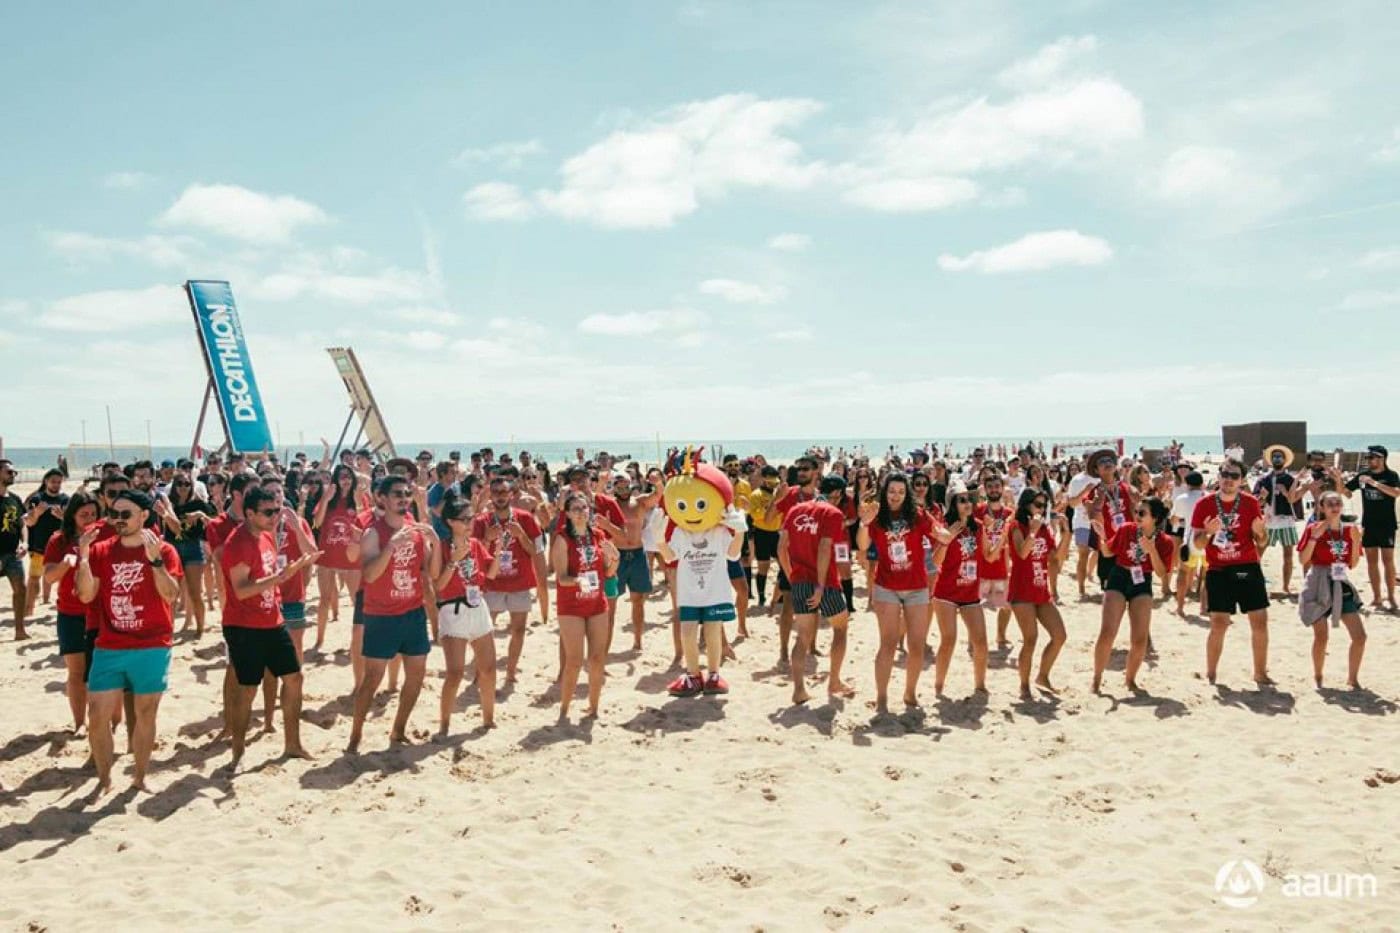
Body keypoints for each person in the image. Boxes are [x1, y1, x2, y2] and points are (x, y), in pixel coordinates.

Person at [75, 489, 183, 795]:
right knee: (97, 717)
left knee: (146, 714)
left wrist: (155, 562)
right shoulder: (101, 550)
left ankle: (139, 776)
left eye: (126, 514)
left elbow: (171, 594)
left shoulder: (164, 550)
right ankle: (105, 779)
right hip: (110, 644)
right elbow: (86, 595)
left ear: (144, 516)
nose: (118, 520)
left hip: (153, 643)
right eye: (114, 514)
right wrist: (83, 557)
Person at [219, 486, 320, 768]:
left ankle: (293, 744)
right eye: (268, 512)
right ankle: (237, 752)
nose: (274, 516)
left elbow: (270, 574)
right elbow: (240, 590)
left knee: (294, 677)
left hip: (271, 620)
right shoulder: (238, 543)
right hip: (243, 626)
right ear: (249, 513)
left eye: (277, 510)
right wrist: (279, 579)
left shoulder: (265, 535)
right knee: (247, 689)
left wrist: (287, 576)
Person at [348, 475, 437, 752]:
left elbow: (428, 572)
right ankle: (356, 733)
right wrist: (391, 547)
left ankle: (398, 729)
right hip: (381, 615)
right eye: (397, 493)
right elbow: (370, 574)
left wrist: (435, 543)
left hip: (412, 612)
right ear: (382, 499)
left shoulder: (415, 528)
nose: (403, 498)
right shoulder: (373, 532)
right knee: (372, 679)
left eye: (407, 493)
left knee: (417, 674)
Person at [856, 473, 935, 712]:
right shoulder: (877, 516)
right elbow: (861, 545)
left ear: (907, 493)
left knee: (917, 645)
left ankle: (910, 693)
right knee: (888, 644)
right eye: (892, 491)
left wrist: (947, 535)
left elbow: (938, 532)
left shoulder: (918, 515)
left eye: (901, 491)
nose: (896, 496)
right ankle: (881, 697)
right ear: (884, 491)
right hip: (886, 586)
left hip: (917, 587)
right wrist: (864, 523)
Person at [1191, 461, 1271, 685]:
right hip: (1218, 568)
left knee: (1260, 621)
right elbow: (1197, 545)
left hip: (1247, 565)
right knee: (1219, 623)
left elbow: (1262, 541)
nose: (1228, 479)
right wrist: (1207, 533)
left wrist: (1261, 532)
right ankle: (1211, 673)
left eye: (1234, 476)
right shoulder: (1204, 504)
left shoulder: (1250, 503)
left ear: (1242, 480)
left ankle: (1260, 672)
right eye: (1224, 474)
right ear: (1219, 476)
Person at [778, 475, 853, 704]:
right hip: (825, 583)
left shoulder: (795, 511)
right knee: (840, 628)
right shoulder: (832, 514)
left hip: (799, 580)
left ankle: (799, 690)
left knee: (802, 638)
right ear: (837, 495)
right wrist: (820, 585)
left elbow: (781, 547)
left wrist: (792, 576)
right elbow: (824, 548)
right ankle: (834, 681)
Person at [432, 493, 502, 733]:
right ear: (451, 521)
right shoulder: (440, 547)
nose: (470, 523)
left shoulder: (475, 545)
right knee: (455, 673)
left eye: (472, 518)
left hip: (477, 606)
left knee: (489, 668)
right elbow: (438, 586)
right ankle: (444, 725)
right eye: (465, 519)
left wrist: (499, 550)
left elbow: (491, 574)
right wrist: (453, 561)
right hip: (453, 610)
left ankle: (488, 719)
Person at [1091, 498, 1174, 693]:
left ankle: (1130, 679)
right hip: (1119, 575)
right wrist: (1102, 537)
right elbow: (1109, 552)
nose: (1136, 516)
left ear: (1155, 517)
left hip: (1142, 581)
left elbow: (1162, 573)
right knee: (1108, 632)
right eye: (1136, 512)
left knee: (1139, 639)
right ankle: (1096, 678)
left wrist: (1151, 549)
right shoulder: (1127, 529)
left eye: (1142, 513)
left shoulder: (1165, 541)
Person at [473, 475, 549, 683]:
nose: (500, 497)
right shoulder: (482, 521)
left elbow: (536, 551)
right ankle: (481, 671)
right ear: (490, 495)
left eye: (504, 492)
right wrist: (486, 539)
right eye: (495, 492)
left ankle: (511, 671)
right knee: (484, 631)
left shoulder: (524, 518)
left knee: (518, 629)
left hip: (519, 582)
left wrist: (521, 536)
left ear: (512, 494)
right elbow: (473, 554)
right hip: (492, 583)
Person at [552, 491, 618, 720]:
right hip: (571, 605)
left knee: (598, 657)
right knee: (574, 660)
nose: (581, 513)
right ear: (568, 514)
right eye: (576, 509)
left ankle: (593, 707)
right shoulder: (562, 539)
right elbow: (560, 578)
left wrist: (615, 559)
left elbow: (608, 573)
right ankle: (565, 708)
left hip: (596, 603)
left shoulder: (598, 536)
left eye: (584, 508)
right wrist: (578, 581)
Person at [42, 491, 101, 731]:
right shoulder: (59, 540)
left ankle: (101, 720)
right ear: (72, 515)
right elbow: (49, 576)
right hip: (70, 612)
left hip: (99, 613)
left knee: (99, 672)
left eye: (93, 514)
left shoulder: (105, 537)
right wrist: (66, 564)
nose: (89, 518)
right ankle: (79, 723)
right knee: (76, 672)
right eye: (83, 514)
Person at [1297, 491, 1367, 689]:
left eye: (1338, 503)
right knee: (1321, 636)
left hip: (1340, 581)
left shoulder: (1349, 530)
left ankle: (1352, 679)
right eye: (1330, 504)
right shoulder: (1314, 528)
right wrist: (1314, 538)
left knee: (1360, 636)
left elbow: (1352, 564)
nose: (1335, 506)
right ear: (1322, 508)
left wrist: (1356, 542)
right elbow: (1303, 560)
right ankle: (1318, 677)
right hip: (1318, 580)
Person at [1007, 488, 1070, 697]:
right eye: (1038, 505)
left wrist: (1066, 533)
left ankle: (1042, 676)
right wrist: (1032, 531)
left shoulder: (1043, 529)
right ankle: (1023, 685)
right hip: (1021, 590)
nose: (1042, 510)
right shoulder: (1017, 526)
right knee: (1030, 638)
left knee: (1060, 635)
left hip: (1041, 589)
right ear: (1026, 505)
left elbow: (1056, 558)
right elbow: (1022, 553)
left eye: (1045, 506)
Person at [931, 489, 989, 696]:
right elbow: (936, 561)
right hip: (946, 592)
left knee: (981, 642)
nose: (967, 503)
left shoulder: (979, 527)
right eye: (962, 500)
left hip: (971, 592)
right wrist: (947, 540)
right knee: (949, 640)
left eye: (970, 500)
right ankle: (938, 686)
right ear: (953, 504)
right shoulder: (945, 527)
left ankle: (980, 685)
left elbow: (989, 556)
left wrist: (999, 537)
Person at [157, 471, 215, 636]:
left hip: (192, 547)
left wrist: (200, 514)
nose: (183, 487)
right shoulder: (167, 504)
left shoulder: (198, 504)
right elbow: (170, 528)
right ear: (174, 486)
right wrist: (166, 513)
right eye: (180, 483)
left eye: (186, 484)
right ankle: (168, 628)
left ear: (191, 486)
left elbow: (216, 523)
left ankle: (200, 629)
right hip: (172, 547)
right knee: (172, 594)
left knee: (195, 592)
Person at [312, 464, 364, 649]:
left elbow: (365, 524)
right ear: (335, 479)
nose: (346, 480)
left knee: (356, 601)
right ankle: (319, 639)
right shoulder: (328, 499)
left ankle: (358, 641)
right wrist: (326, 498)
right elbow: (316, 523)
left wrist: (359, 502)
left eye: (349, 476)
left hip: (351, 558)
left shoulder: (358, 500)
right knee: (324, 599)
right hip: (328, 556)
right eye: (342, 476)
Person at [1344, 445, 1400, 611]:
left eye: (1373, 457)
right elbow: (1346, 492)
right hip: (1369, 524)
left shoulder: (1391, 475)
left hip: (1387, 524)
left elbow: (1396, 493)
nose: (1369, 460)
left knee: (1388, 561)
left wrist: (1375, 484)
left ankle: (1391, 597)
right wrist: (1338, 480)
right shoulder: (1362, 476)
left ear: (1382, 458)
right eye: (1368, 457)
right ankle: (1376, 598)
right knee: (1371, 562)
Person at [611, 474, 662, 651]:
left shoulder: (639, 502)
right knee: (610, 600)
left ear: (631, 485)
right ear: (614, 487)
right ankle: (606, 642)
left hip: (638, 553)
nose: (623, 490)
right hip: (617, 555)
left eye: (626, 486)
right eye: (619, 487)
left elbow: (658, 496)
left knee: (638, 599)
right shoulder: (611, 504)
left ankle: (637, 641)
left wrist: (657, 483)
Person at [1253, 445, 1304, 595]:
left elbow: (1294, 499)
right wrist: (1262, 497)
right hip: (1268, 520)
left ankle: (1286, 587)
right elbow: (1257, 502)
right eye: (1274, 456)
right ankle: (1254, 582)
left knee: (1288, 555)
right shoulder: (1263, 479)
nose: (1277, 459)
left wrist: (1286, 491)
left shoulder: (1290, 479)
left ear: (1284, 460)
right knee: (1258, 553)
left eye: (1279, 456)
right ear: (1271, 460)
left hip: (1286, 520)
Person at [22, 468, 69, 615]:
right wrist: (36, 513)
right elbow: (29, 523)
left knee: (60, 577)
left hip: (60, 545)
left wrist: (63, 517)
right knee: (34, 577)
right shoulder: (37, 499)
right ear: (46, 481)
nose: (56, 484)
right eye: (53, 481)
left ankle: (50, 602)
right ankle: (29, 609)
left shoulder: (66, 499)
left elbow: (71, 523)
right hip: (39, 545)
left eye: (59, 482)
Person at [0, 458, 30, 639]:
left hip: (12, 553)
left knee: (21, 589)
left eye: (14, 472)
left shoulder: (14, 499)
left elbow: (22, 524)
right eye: (9, 472)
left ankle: (20, 630)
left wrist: (24, 543)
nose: (13, 475)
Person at [1171, 471, 1207, 616]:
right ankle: (1204, 607)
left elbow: (1174, 519)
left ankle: (1180, 607)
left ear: (1187, 484)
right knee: (1207, 575)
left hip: (1190, 539)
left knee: (1183, 572)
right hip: (1209, 539)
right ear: (1201, 483)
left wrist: (1180, 522)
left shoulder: (1182, 498)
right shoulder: (1210, 497)